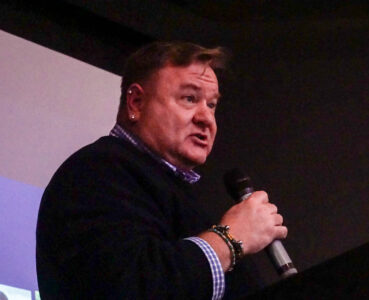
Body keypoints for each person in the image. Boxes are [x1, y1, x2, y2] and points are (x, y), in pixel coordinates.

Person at [36, 41, 288, 299]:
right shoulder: (95, 172)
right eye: (189, 98)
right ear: (136, 102)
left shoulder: (174, 190)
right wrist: (230, 240)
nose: (206, 118)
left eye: (211, 105)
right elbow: (132, 287)